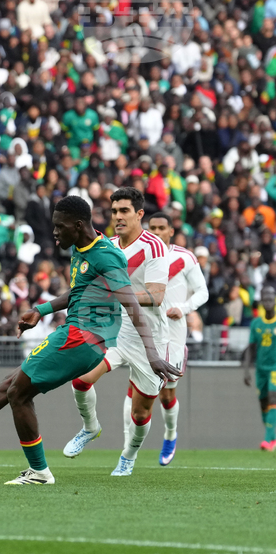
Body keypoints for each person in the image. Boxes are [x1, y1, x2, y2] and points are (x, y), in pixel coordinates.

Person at [0, 197, 178, 485]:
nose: (55, 233)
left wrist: (152, 354)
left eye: (60, 227)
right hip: (78, 336)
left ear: (78, 225)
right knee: (8, 388)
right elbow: (79, 292)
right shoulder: (81, 247)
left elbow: (132, 306)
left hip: (82, 338)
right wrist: (41, 310)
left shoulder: (106, 256)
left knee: (17, 395)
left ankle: (39, 472)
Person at [65, 188, 172, 476]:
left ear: (139, 214)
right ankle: (90, 428)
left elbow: (156, 294)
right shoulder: (107, 246)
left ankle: (129, 455)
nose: (118, 217)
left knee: (139, 414)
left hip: (150, 337)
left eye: (124, 211)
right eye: (114, 212)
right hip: (115, 332)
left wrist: (118, 292)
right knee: (81, 378)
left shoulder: (155, 247)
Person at [145, 212, 208, 465]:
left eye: (162, 228)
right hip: (145, 332)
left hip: (173, 334)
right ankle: (129, 451)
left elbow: (203, 292)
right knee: (136, 390)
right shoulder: (141, 256)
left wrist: (183, 308)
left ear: (171, 231)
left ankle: (170, 434)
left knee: (167, 394)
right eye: (153, 228)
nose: (157, 232)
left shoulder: (184, 257)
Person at [245, 286, 276, 451]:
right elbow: (251, 347)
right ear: (262, 302)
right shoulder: (256, 323)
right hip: (260, 369)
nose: (268, 302)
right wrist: (246, 371)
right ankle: (272, 437)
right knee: (263, 402)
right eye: (265, 299)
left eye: (271, 298)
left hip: (275, 368)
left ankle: (267, 440)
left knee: (273, 397)